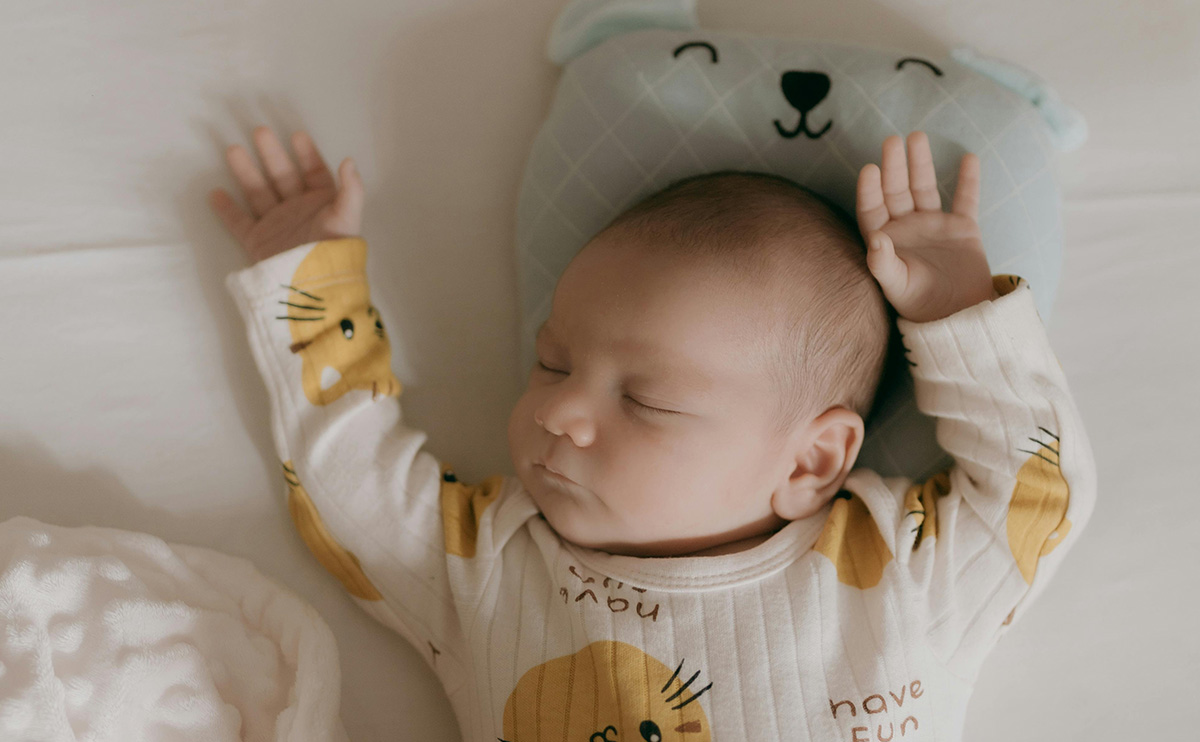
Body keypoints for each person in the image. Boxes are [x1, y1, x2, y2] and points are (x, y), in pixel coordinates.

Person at [209, 126, 1095, 740]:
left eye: (646, 400)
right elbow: (349, 486)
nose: (557, 412)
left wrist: (956, 316)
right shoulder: (495, 568)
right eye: (551, 363)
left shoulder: (895, 571)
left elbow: (1036, 497)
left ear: (813, 459)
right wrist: (309, 291)